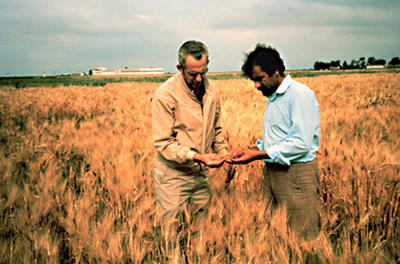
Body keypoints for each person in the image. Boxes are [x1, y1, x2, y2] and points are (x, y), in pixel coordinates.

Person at [228, 44, 320, 240]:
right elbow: (278, 140)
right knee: (278, 236)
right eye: (253, 81)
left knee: (303, 238)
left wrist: (259, 154)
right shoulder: (274, 98)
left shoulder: (299, 95)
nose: (256, 86)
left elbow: (301, 143)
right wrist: (252, 150)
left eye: (259, 79)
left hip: (295, 173)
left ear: (276, 72)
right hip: (274, 172)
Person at [151, 40, 230, 231]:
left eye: (204, 72)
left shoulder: (212, 91)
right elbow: (163, 143)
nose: (199, 79)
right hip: (173, 176)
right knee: (171, 235)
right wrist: (197, 156)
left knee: (199, 233)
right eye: (193, 74)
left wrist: (225, 155)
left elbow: (216, 129)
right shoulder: (165, 95)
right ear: (180, 68)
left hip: (201, 175)